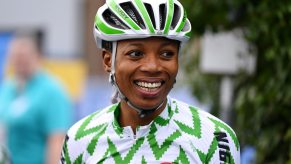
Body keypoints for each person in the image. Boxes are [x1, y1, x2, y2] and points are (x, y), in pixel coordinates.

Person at [60, 0, 240, 163]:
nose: (152, 67)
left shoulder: (213, 139)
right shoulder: (79, 140)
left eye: (166, 54)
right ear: (108, 61)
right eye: (136, 54)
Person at [0, 35, 73, 164]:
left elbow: (56, 140)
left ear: (38, 56)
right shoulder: (8, 87)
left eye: (24, 56)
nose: (20, 61)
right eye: (15, 56)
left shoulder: (52, 92)